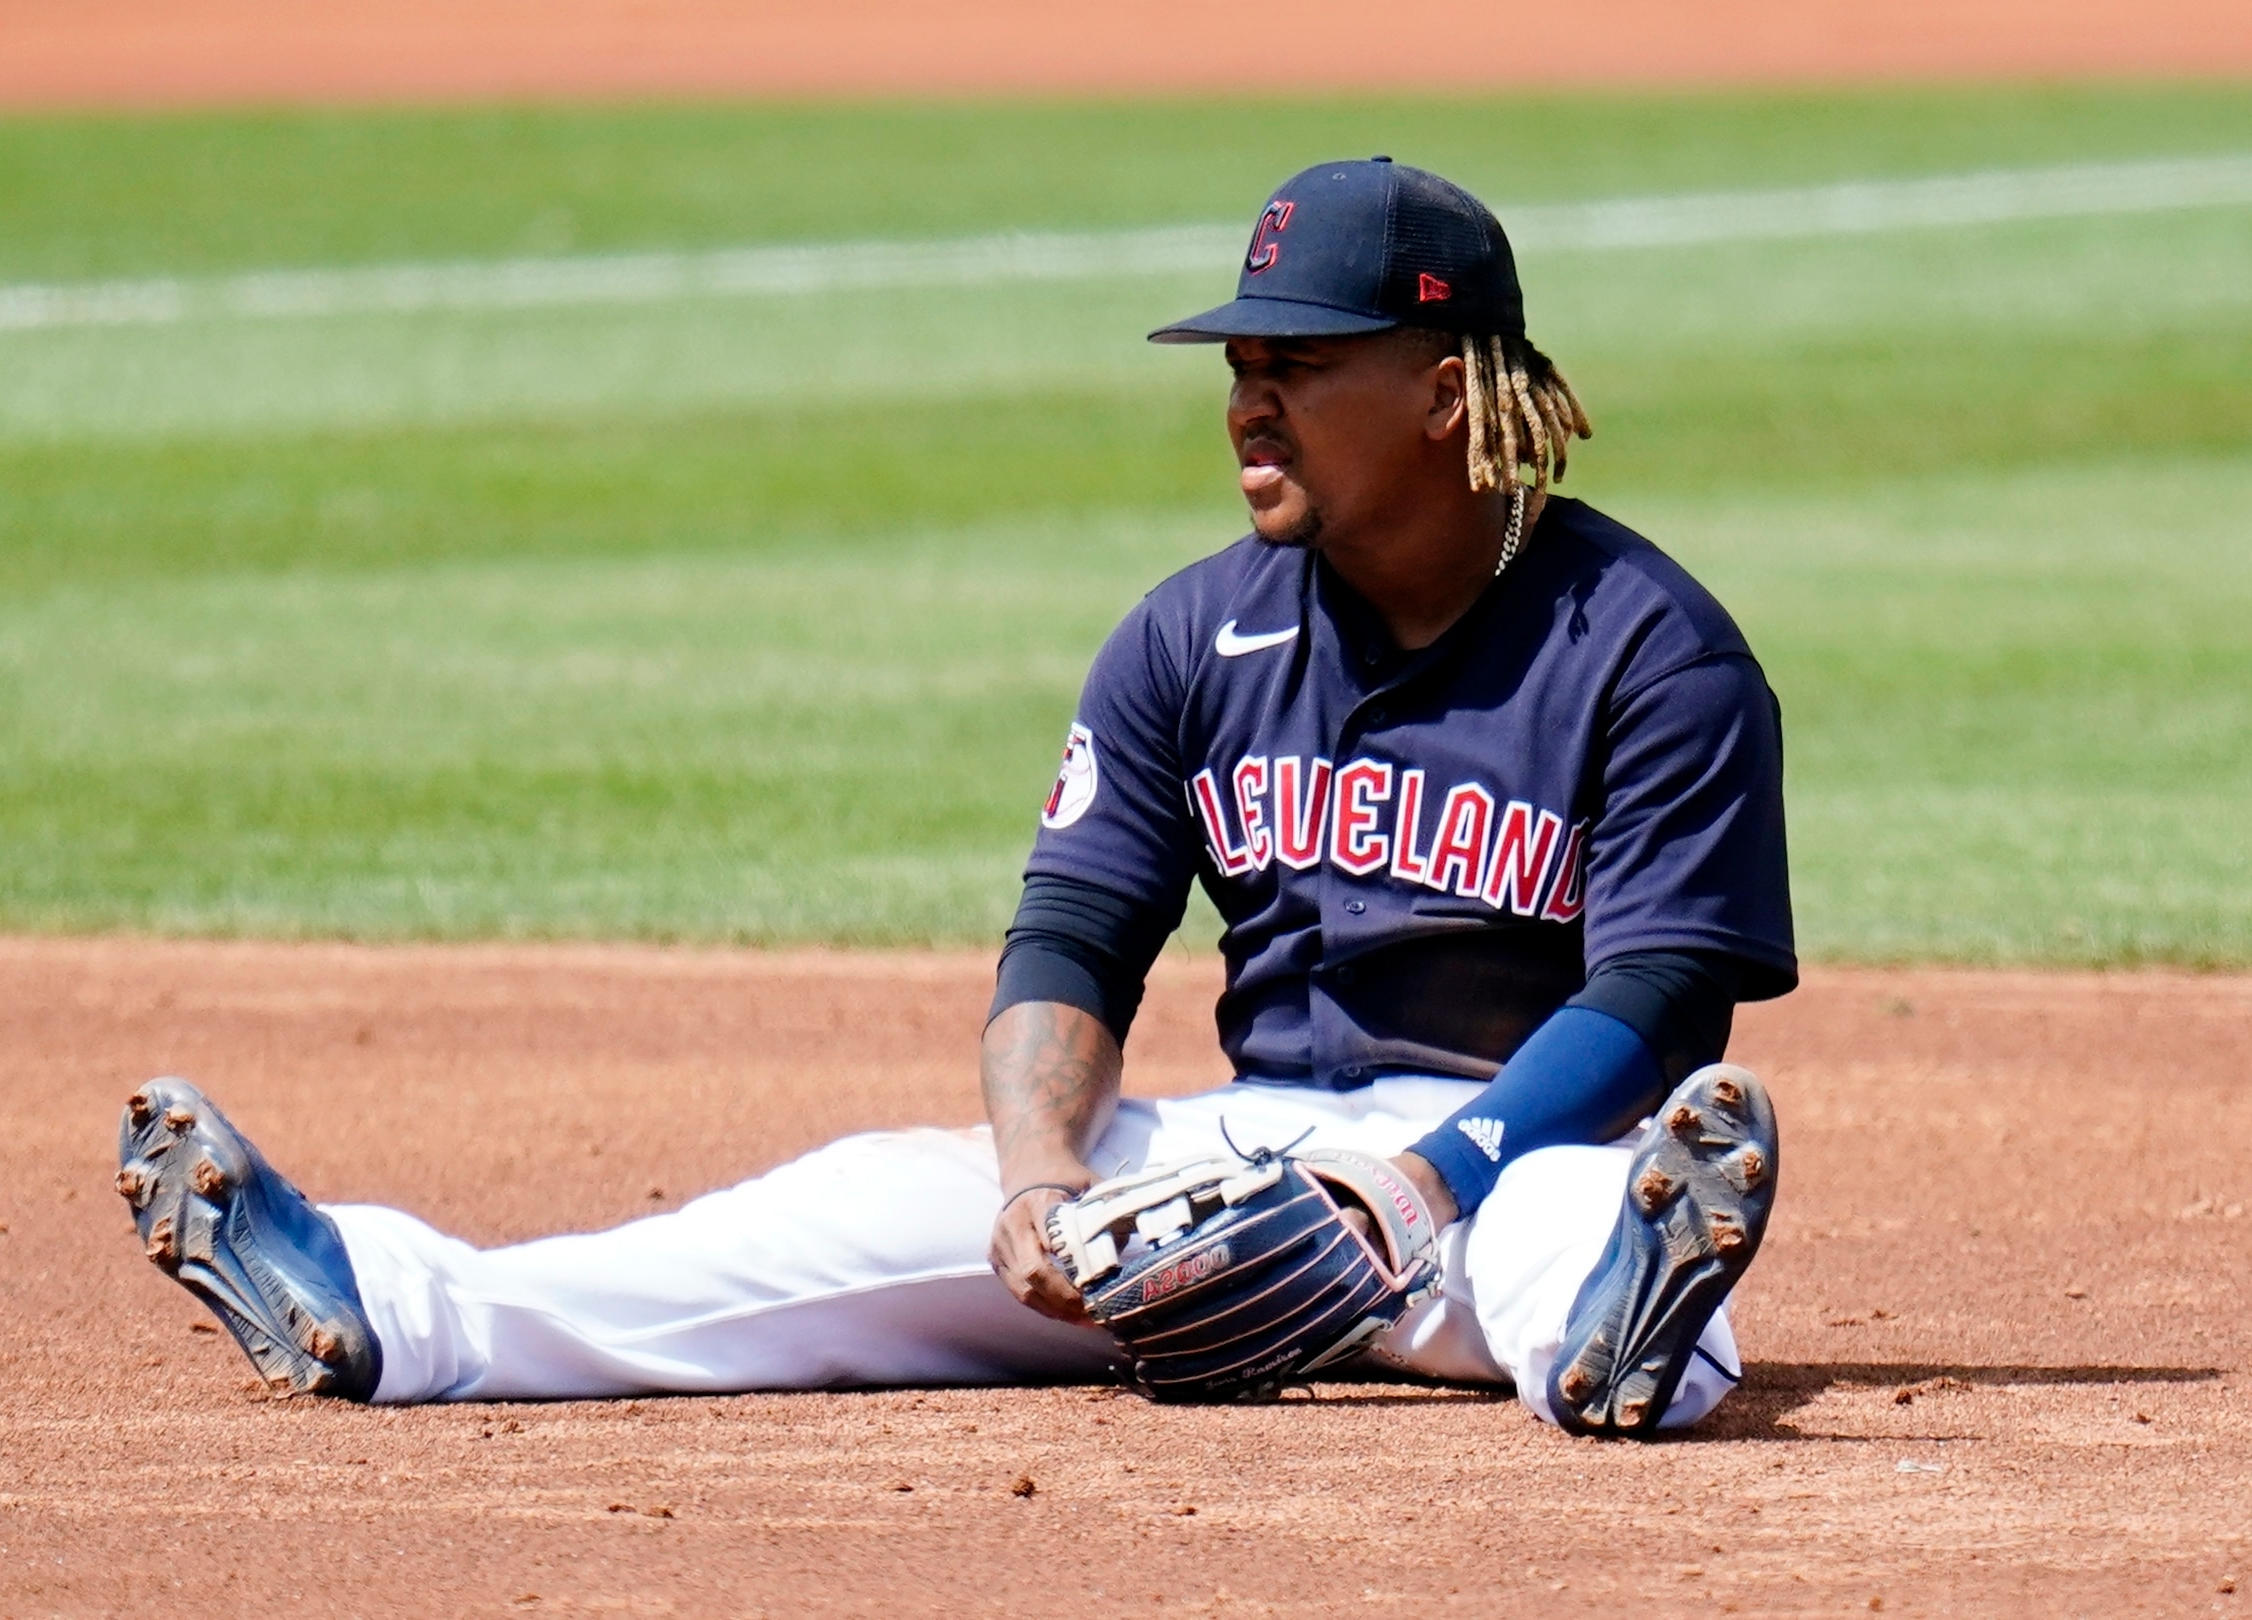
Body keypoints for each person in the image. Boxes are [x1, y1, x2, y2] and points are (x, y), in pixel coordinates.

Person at [118, 157, 1794, 1438]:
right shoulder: (1189, 634)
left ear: (1444, 391)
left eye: (1299, 360)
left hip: (1506, 1152)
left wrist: (1422, 1183)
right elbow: (1069, 940)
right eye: (1238, 361)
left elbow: (1658, 998)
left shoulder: (1645, 646)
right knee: (853, 1206)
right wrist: (1034, 1185)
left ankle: (1616, 1343)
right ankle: (397, 1306)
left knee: (1579, 1228)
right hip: (1244, 1161)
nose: (1245, 399)